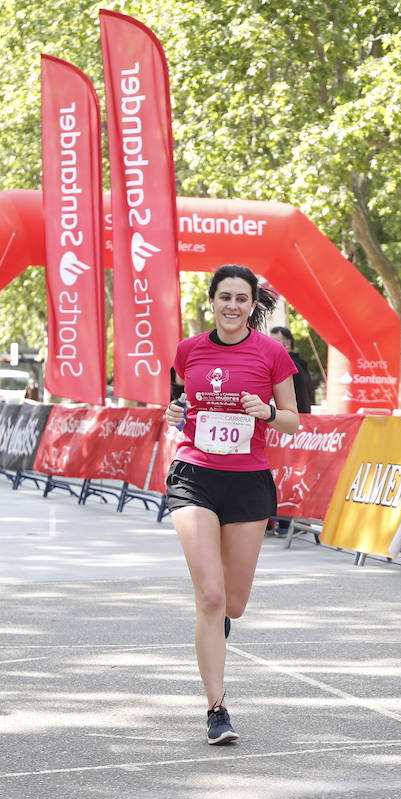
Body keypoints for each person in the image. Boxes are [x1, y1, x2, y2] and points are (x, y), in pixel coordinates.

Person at [162, 264, 300, 745]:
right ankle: (217, 708)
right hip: (194, 476)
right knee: (211, 595)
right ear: (212, 300)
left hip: (247, 483)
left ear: (251, 304)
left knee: (234, 605)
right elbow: (179, 406)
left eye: (241, 299)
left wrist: (267, 412)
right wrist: (174, 412)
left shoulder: (272, 353)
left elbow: (292, 423)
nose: (232, 306)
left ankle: (218, 620)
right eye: (225, 297)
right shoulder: (188, 351)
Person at [268, 326, 315, 414]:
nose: (269, 346)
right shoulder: (300, 364)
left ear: (287, 344)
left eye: (274, 342)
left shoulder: (286, 364)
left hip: (293, 419)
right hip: (302, 418)